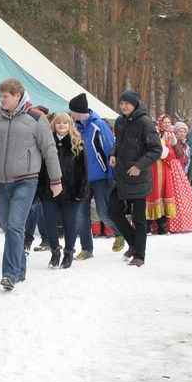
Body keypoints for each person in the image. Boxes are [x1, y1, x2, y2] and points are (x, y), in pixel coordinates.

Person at [0, 78, 61, 290]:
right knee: (7, 226)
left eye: (6, 96)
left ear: (18, 96)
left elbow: (49, 150)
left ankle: (10, 274)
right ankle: (21, 268)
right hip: (0, 182)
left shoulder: (36, 118)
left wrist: (56, 180)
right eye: (0, 96)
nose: (2, 99)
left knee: (15, 226)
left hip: (26, 180)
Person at [107, 90, 162, 267]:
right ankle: (133, 243)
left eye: (127, 103)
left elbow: (155, 149)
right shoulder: (121, 121)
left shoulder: (145, 122)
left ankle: (140, 256)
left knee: (139, 218)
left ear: (135, 104)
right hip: (122, 176)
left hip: (138, 177)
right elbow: (118, 142)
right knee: (113, 209)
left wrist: (139, 166)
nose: (123, 106)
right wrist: (113, 153)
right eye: (121, 103)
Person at [69, 92, 124, 260]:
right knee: (80, 215)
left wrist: (111, 175)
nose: (70, 114)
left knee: (103, 212)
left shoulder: (99, 125)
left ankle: (120, 233)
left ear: (79, 111)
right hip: (80, 178)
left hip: (100, 177)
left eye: (72, 111)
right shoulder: (74, 128)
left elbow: (109, 151)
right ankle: (87, 249)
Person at [38, 112, 88, 269]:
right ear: (54, 125)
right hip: (49, 191)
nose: (61, 125)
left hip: (71, 192)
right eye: (58, 122)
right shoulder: (47, 143)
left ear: (70, 125)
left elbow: (83, 170)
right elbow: (40, 168)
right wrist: (40, 189)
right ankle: (55, 251)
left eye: (65, 123)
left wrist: (80, 191)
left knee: (69, 222)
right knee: (50, 221)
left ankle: (68, 252)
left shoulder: (77, 144)